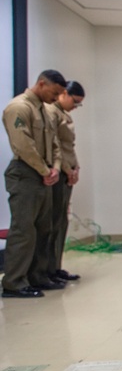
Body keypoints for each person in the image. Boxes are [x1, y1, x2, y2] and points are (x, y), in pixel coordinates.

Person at [2, 70, 67, 297]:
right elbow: (23, 145)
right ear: (41, 83)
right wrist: (44, 170)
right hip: (26, 173)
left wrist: (55, 169)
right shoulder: (19, 108)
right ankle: (14, 283)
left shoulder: (46, 112)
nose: (57, 97)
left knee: (44, 229)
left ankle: (37, 277)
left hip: (45, 174)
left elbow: (56, 145)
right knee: (24, 231)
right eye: (55, 92)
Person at [47, 80, 85, 283]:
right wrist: (66, 169)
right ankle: (47, 270)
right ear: (63, 94)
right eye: (75, 101)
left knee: (61, 222)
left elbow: (69, 146)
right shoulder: (51, 112)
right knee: (52, 223)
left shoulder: (63, 114)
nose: (75, 106)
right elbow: (55, 147)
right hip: (58, 172)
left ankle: (55, 267)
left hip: (67, 172)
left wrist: (76, 167)